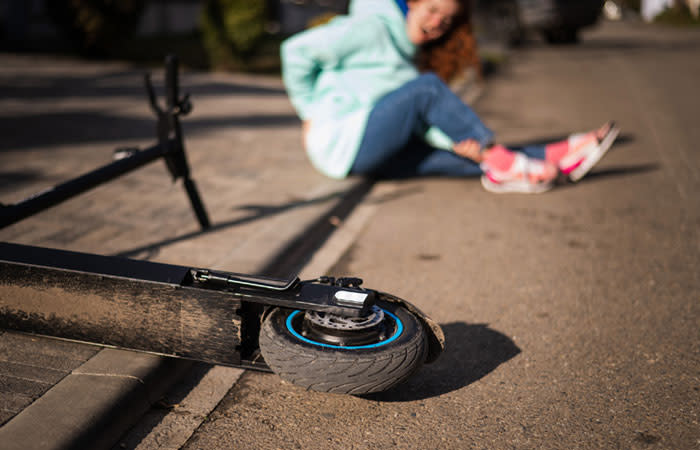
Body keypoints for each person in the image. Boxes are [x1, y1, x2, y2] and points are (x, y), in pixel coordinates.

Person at [281, 0, 619, 193]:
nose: (436, 23)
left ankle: (559, 157)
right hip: (342, 139)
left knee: (469, 157)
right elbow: (295, 51)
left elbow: (417, 121)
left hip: (367, 152)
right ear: (411, 3)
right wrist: (308, 111)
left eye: (446, 21)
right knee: (427, 89)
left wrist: (462, 144)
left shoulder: (408, 54)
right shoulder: (371, 28)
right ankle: (506, 161)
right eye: (432, 10)